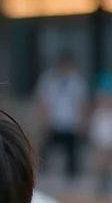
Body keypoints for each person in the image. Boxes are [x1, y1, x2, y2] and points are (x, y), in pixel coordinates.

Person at [36, 50, 88, 181]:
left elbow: (82, 103)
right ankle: (41, 173)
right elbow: (43, 101)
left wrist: (82, 122)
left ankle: (73, 178)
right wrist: (44, 119)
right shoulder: (48, 79)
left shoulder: (77, 81)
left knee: (72, 152)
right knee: (46, 149)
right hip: (53, 121)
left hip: (71, 122)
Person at [90, 73, 112, 195]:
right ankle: (100, 184)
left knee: (108, 163)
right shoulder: (98, 114)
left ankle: (107, 182)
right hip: (100, 143)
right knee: (99, 162)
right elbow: (95, 131)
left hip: (109, 144)